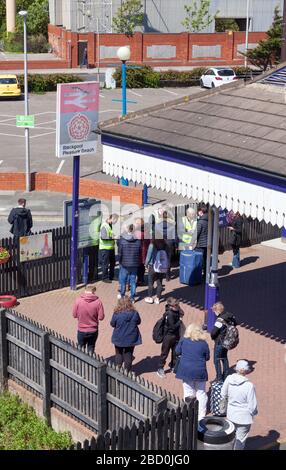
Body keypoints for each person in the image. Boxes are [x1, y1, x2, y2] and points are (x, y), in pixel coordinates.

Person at [175, 324, 210, 422]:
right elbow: (207, 357)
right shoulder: (204, 343)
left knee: (188, 391)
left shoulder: (183, 341)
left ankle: (188, 413)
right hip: (200, 371)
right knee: (201, 392)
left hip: (186, 370)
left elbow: (177, 352)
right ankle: (201, 415)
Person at [221, 360, 258, 450]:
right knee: (240, 440)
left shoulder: (229, 379)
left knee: (230, 438)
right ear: (246, 371)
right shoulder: (249, 386)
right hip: (244, 418)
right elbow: (252, 405)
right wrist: (253, 414)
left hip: (231, 414)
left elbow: (223, 394)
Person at [110, 297, 142, 373]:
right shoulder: (134, 313)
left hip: (119, 337)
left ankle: (118, 368)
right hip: (131, 337)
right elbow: (139, 322)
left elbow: (112, 324)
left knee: (118, 353)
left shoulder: (117, 313)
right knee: (129, 354)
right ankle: (127, 371)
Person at [72, 284, 105, 354]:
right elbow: (101, 317)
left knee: (80, 348)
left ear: (85, 290)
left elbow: (74, 315)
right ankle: (90, 363)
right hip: (93, 330)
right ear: (93, 291)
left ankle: (81, 363)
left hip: (81, 329)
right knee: (91, 347)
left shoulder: (78, 300)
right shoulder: (98, 302)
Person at [157, 297, 184, 378]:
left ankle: (173, 366)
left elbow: (182, 312)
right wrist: (180, 320)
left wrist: (179, 310)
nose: (178, 307)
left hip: (175, 336)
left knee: (175, 352)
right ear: (171, 306)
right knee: (165, 353)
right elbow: (172, 327)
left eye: (178, 305)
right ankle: (160, 368)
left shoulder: (176, 311)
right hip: (168, 336)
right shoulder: (169, 314)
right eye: (176, 305)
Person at [210, 302, 237, 382]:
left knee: (217, 360)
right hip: (227, 341)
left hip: (220, 342)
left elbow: (213, 333)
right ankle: (226, 375)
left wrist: (213, 337)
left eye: (214, 311)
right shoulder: (230, 316)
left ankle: (219, 378)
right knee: (224, 358)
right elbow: (236, 323)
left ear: (217, 311)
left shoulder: (219, 320)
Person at [118, 223, 141, 303]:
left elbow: (120, 253)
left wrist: (120, 261)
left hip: (124, 263)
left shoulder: (122, 240)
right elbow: (139, 252)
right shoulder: (138, 241)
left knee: (123, 281)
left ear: (127, 229)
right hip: (134, 263)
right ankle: (132, 298)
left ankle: (122, 295)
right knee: (133, 281)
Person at [144, 237, 169, 304]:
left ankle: (150, 297)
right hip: (161, 266)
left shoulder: (152, 245)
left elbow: (148, 256)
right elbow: (168, 256)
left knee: (150, 283)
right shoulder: (165, 245)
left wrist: (146, 264)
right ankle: (157, 298)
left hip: (153, 266)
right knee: (160, 282)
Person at [155, 210, 176, 281]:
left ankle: (160, 274)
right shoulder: (172, 225)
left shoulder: (158, 224)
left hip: (160, 243)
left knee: (159, 259)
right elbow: (174, 235)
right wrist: (175, 244)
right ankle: (168, 276)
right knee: (168, 259)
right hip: (169, 242)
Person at [99, 213, 118, 283]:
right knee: (105, 263)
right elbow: (103, 237)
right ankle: (104, 277)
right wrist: (113, 237)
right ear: (111, 218)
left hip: (110, 248)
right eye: (115, 220)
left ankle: (111, 276)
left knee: (113, 263)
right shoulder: (104, 226)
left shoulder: (110, 225)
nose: (115, 222)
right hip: (105, 248)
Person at [134, 217, 150, 285]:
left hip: (139, 252)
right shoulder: (146, 231)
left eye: (136, 223)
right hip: (144, 251)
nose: (135, 224)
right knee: (141, 266)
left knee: (138, 267)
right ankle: (141, 280)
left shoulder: (138, 232)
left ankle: (139, 280)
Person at [195, 204, 208, 280]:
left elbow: (196, 233)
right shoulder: (208, 220)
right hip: (207, 244)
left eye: (198, 211)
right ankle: (205, 275)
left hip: (200, 244)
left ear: (201, 211)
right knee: (205, 260)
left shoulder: (201, 222)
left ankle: (198, 276)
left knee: (199, 261)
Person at [87, 214, 102, 282]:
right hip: (97, 242)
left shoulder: (91, 222)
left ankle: (91, 276)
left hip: (91, 242)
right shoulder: (99, 222)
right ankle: (95, 276)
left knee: (91, 260)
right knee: (95, 260)